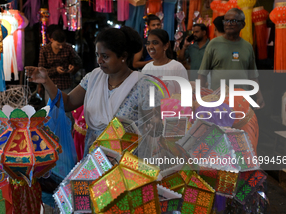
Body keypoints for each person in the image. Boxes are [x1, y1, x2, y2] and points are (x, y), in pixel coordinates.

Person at [27, 26, 162, 156]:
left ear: (124, 56)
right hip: (94, 161)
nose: (99, 61)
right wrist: (46, 81)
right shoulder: (94, 77)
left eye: (105, 56)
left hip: (126, 167)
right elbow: (67, 103)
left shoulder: (144, 86)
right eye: (98, 55)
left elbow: (155, 131)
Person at [198, 8, 265, 109]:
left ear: (242, 24)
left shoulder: (247, 46)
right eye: (226, 21)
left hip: (242, 101)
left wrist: (259, 96)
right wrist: (202, 97)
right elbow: (202, 73)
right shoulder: (213, 44)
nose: (228, 24)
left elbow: (253, 76)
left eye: (233, 21)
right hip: (219, 101)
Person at [142, 29, 188, 95]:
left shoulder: (177, 67)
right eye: (148, 43)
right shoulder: (146, 69)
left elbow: (184, 95)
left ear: (166, 46)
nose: (150, 47)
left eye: (155, 43)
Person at [38, 28, 82, 95]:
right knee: (50, 105)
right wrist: (55, 70)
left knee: (66, 104)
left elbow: (77, 63)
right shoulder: (44, 50)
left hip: (66, 85)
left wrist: (72, 67)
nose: (61, 47)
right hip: (50, 85)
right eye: (58, 44)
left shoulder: (68, 48)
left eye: (63, 44)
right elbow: (41, 70)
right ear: (52, 40)